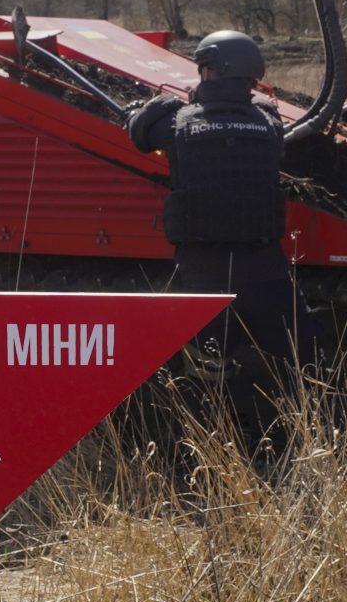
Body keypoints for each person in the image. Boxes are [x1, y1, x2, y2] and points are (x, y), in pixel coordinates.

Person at [127, 30, 326, 366]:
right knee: (307, 362)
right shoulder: (269, 122)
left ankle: (220, 418)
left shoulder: (177, 124)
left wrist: (146, 108)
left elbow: (139, 133)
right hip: (265, 268)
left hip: (204, 273)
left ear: (207, 70)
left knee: (208, 370)